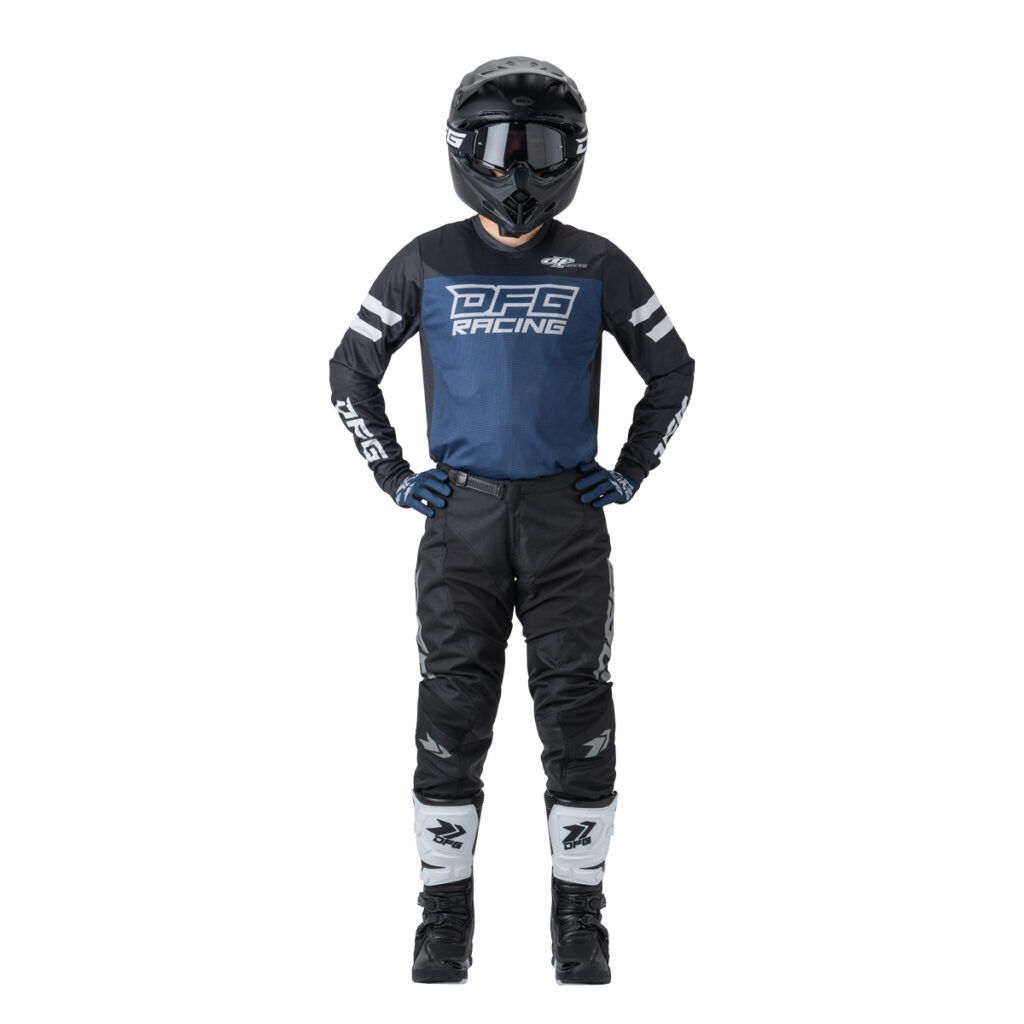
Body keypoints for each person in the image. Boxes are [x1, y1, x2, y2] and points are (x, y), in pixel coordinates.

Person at [328, 56, 695, 985]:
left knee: (577, 713)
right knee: (450, 711)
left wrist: (632, 471)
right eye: (498, 148)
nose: (520, 171)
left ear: (577, 154)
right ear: (462, 152)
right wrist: (394, 475)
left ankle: (580, 922)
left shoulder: (597, 262)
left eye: (542, 149)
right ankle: (443, 920)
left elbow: (674, 369)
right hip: (462, 520)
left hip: (566, 521)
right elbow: (349, 369)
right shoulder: (428, 259)